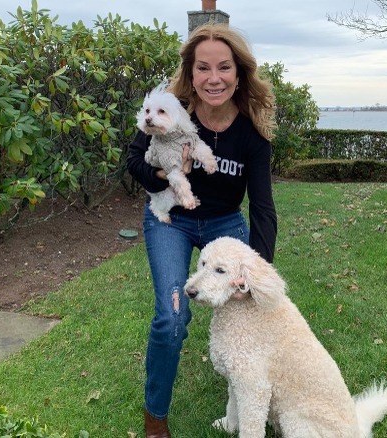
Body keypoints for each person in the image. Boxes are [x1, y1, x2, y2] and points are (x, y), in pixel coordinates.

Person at [126, 22, 278, 438]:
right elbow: (135, 163)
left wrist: (258, 269)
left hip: (225, 223)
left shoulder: (252, 135)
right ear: (190, 74)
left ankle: (245, 394)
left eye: (224, 67)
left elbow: (262, 208)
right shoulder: (170, 112)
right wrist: (167, 175)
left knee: (247, 310)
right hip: (171, 220)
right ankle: (155, 415)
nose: (214, 78)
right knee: (171, 319)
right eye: (203, 68)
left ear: (238, 72)